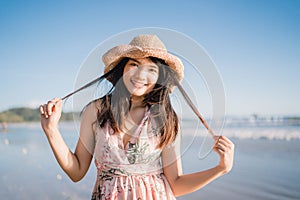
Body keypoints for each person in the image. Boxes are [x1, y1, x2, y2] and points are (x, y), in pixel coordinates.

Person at [40, 34, 234, 200]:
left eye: (152, 69)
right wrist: (51, 130)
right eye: (134, 64)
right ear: (123, 68)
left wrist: (220, 169)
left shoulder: (166, 119)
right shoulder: (96, 111)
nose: (141, 75)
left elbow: (175, 183)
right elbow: (77, 171)